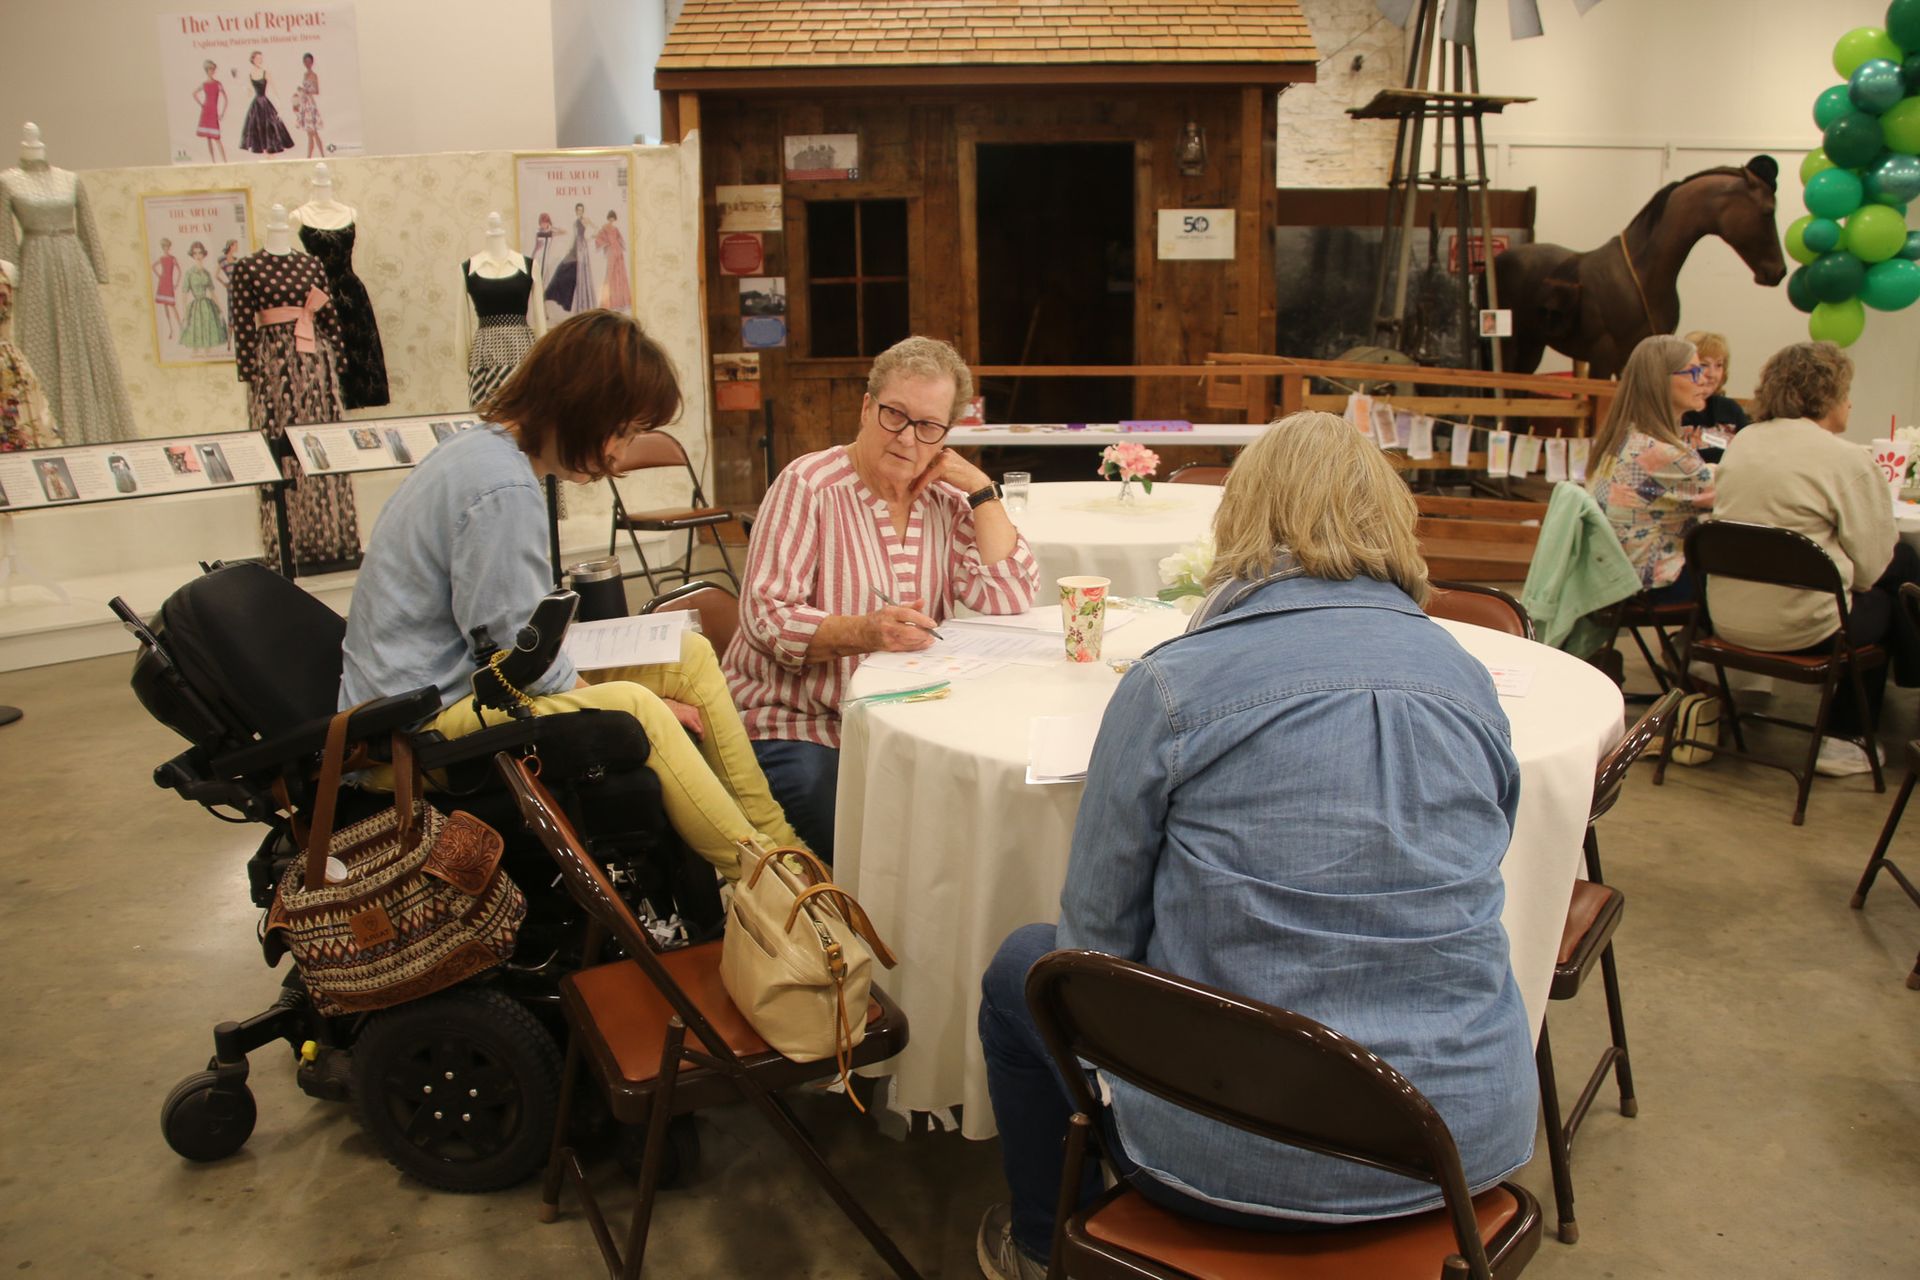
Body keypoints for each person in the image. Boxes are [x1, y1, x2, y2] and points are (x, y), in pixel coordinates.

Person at [974, 411, 1536, 1280]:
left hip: (1234, 1156)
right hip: (1462, 1143)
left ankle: (1045, 1245)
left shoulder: (1172, 683)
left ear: (1240, 519)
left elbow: (1093, 953)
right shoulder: (1466, 675)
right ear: (1393, 518)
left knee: (1026, 967)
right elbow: (1481, 857)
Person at [338, 310, 807, 878]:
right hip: (412, 733)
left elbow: (516, 644)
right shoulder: (502, 486)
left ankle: (787, 848)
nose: (619, 457)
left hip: (445, 692)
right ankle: (768, 878)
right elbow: (516, 660)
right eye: (625, 430)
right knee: (637, 707)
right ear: (585, 405)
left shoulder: (483, 453)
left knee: (689, 656)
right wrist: (643, 701)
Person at [723, 336, 1039, 859]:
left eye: (928, 426)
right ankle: (855, 933)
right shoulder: (809, 486)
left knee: (972, 816)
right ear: (867, 408)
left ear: (945, 436)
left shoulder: (945, 499)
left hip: (906, 723)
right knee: (862, 833)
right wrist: (863, 632)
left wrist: (982, 489)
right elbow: (766, 615)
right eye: (895, 414)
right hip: (801, 724)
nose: (907, 438)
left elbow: (1009, 593)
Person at [1709, 340, 1920, 777]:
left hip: (1726, 616)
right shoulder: (1845, 459)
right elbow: (1871, 569)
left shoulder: (1744, 441)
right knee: (1897, 581)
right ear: (1827, 394)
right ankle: (1846, 737)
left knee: (1896, 573)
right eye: (1847, 391)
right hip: (1803, 629)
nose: (1851, 402)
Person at [1587, 333, 1716, 602]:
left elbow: (1698, 479)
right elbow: (1728, 491)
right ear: (1661, 381)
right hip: (1647, 582)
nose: (1704, 379)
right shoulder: (1659, 453)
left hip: (1613, 576)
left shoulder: (1624, 438)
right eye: (1694, 371)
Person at [1679, 330, 1749, 462]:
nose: (1712, 374)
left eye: (1719, 365)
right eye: (1704, 365)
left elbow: (1747, 455)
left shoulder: (1731, 409)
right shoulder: (1674, 409)